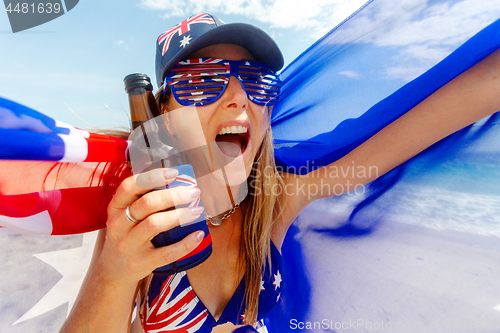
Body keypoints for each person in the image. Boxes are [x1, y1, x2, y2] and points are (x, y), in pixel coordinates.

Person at [59, 12, 500, 333]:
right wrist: (112, 275)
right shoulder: (143, 215)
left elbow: (436, 117)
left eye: (257, 81)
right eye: (202, 80)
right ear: (161, 115)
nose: (238, 98)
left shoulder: (277, 202)